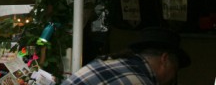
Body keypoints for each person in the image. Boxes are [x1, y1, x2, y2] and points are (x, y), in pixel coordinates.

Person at [62, 27, 191, 85]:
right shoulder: (139, 81)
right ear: (165, 59)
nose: (172, 79)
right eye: (175, 70)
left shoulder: (110, 62)